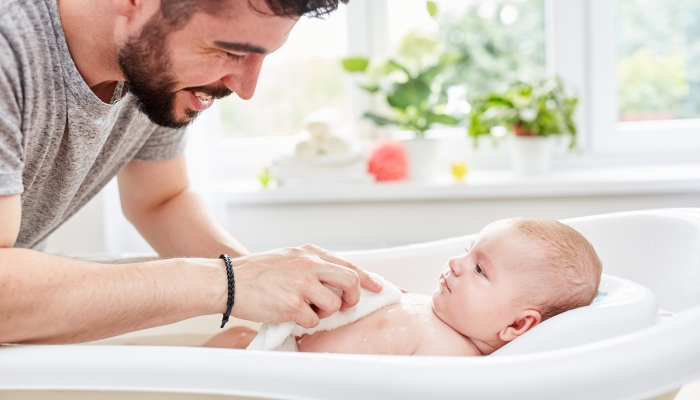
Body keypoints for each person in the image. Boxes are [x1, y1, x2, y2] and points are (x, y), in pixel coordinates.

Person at [0, 0, 384, 345]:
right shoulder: (9, 43)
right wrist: (229, 283)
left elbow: (160, 201)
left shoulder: (150, 70)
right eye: (231, 52)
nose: (246, 88)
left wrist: (279, 291)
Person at [204, 217, 603, 355]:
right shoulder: (445, 315)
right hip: (280, 352)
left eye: (480, 270)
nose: (456, 264)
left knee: (226, 352)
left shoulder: (452, 360)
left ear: (517, 326)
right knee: (234, 336)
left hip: (286, 381)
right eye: (467, 251)